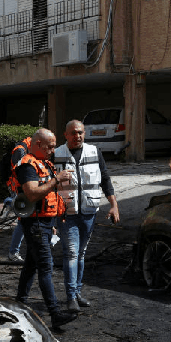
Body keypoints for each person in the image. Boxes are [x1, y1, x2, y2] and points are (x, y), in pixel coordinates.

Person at [11, 128, 74, 331]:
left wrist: (54, 223)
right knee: (45, 266)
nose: (52, 150)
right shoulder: (27, 165)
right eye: (50, 146)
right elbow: (31, 194)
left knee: (31, 263)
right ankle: (55, 314)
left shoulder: (44, 163)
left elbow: (49, 194)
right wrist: (56, 180)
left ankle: (19, 302)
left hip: (45, 222)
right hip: (35, 223)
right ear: (37, 144)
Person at [53, 119, 120, 312]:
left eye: (81, 132)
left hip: (89, 213)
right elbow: (49, 185)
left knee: (80, 254)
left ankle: (77, 292)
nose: (78, 136)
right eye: (73, 133)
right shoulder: (57, 154)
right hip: (67, 214)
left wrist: (114, 205)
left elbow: (105, 179)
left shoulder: (94, 152)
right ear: (66, 135)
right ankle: (71, 296)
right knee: (71, 253)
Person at [4, 137, 31, 263]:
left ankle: (15, 251)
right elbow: (22, 174)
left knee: (24, 221)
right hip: (21, 192)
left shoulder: (21, 149)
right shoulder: (20, 151)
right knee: (22, 221)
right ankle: (13, 252)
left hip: (20, 191)